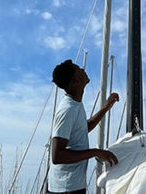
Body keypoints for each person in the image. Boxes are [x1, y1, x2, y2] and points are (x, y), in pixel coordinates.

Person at [48, 59, 119, 194]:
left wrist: (105, 108)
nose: (83, 69)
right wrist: (96, 152)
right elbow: (57, 156)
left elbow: (82, 129)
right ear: (75, 82)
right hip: (65, 188)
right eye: (79, 69)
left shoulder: (75, 104)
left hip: (73, 185)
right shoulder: (67, 110)